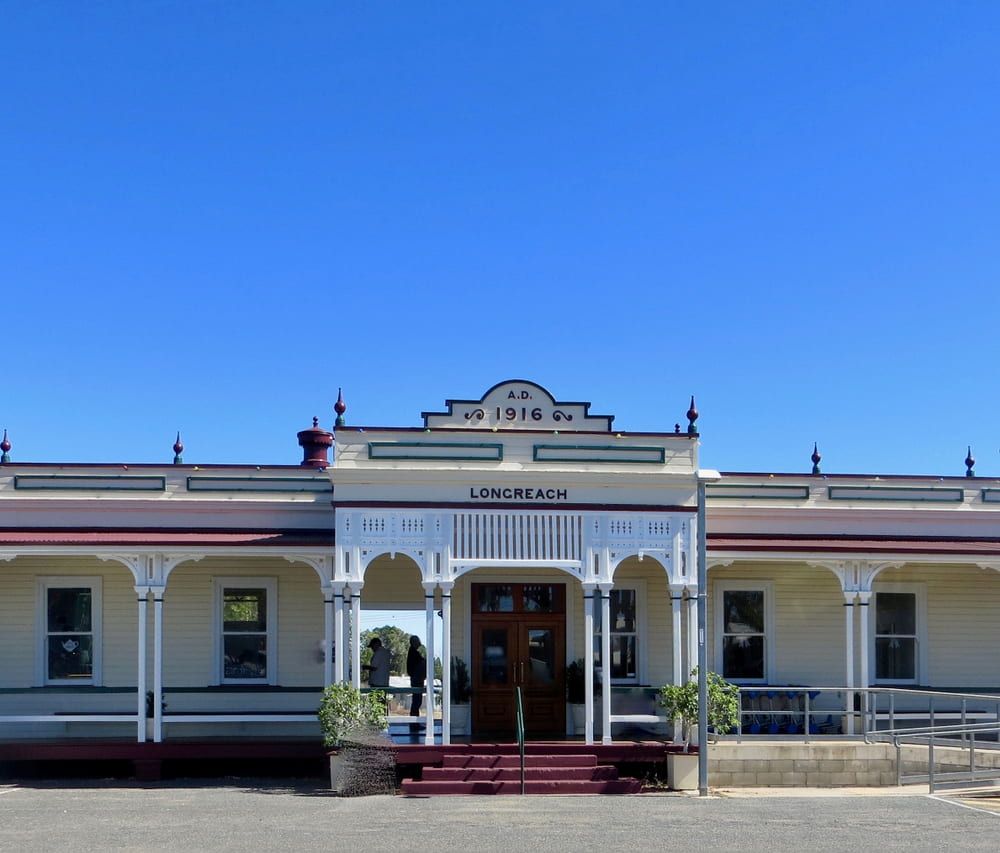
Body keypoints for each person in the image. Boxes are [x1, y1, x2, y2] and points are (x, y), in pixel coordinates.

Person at [406, 635, 427, 730]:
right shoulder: (413, 653)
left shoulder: (414, 652)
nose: (419, 644)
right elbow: (421, 663)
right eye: (418, 642)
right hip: (416, 680)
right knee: (416, 702)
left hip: (417, 679)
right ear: (414, 642)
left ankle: (415, 723)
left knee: (417, 702)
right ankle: (414, 724)